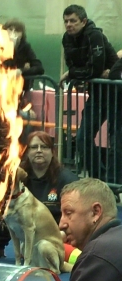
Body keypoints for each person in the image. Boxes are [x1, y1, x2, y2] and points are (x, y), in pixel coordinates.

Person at [0, 131, 79, 259]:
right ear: (26, 152)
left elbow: (78, 216)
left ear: (53, 151)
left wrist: (64, 234)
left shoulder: (68, 180)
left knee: (77, 259)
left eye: (44, 147)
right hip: (32, 241)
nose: (39, 151)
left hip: (60, 238)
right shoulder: (17, 177)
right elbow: (3, 212)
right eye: (34, 147)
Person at [59, 4, 121, 184]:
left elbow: (94, 68)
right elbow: (81, 68)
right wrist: (78, 72)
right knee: (82, 138)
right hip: (96, 93)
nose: (69, 25)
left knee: (116, 143)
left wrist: (74, 73)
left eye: (73, 21)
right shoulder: (66, 38)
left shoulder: (95, 35)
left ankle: (113, 184)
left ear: (83, 21)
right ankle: (98, 179)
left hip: (116, 94)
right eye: (66, 21)